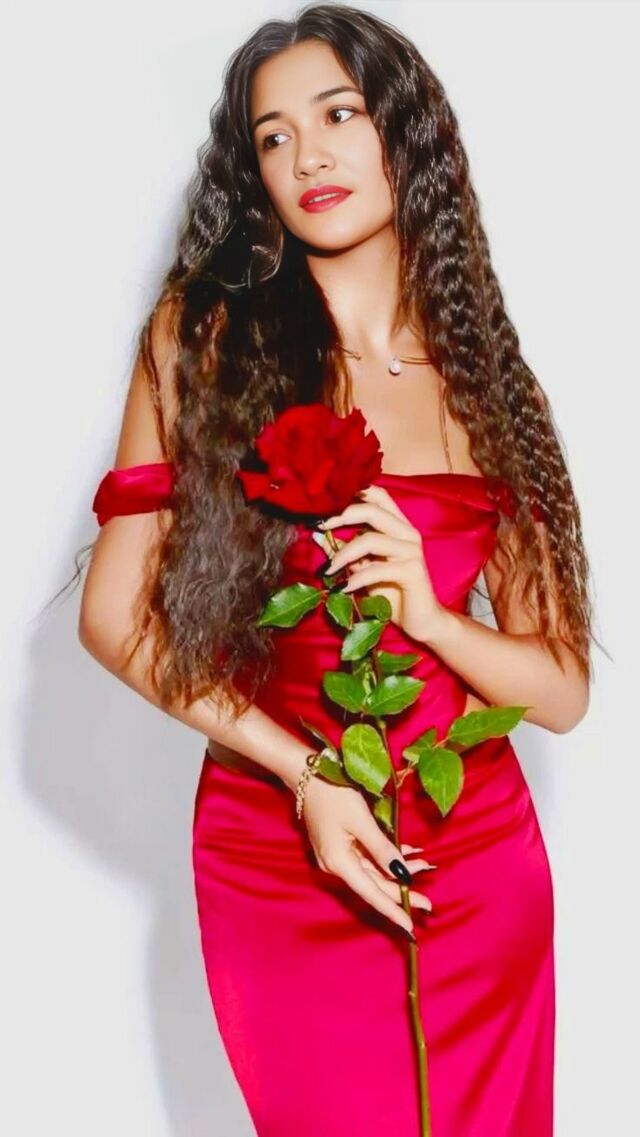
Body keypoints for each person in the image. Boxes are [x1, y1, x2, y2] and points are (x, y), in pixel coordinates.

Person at [77, 4, 596, 1134]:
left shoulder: (491, 385)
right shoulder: (205, 341)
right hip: (279, 851)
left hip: (476, 859)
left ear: (406, 135)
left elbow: (560, 691)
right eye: (273, 136)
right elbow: (113, 616)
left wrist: (434, 618)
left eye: (339, 114)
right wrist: (305, 774)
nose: (307, 154)